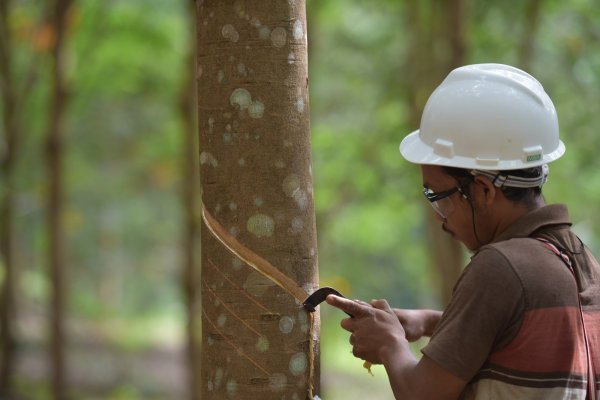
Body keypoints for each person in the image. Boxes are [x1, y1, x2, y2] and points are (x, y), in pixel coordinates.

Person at [326, 63, 600, 399]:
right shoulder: (578, 260)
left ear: (483, 190)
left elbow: (422, 394)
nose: (441, 222)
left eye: (438, 198)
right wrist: (428, 322)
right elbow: (517, 334)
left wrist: (389, 345)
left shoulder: (501, 267)